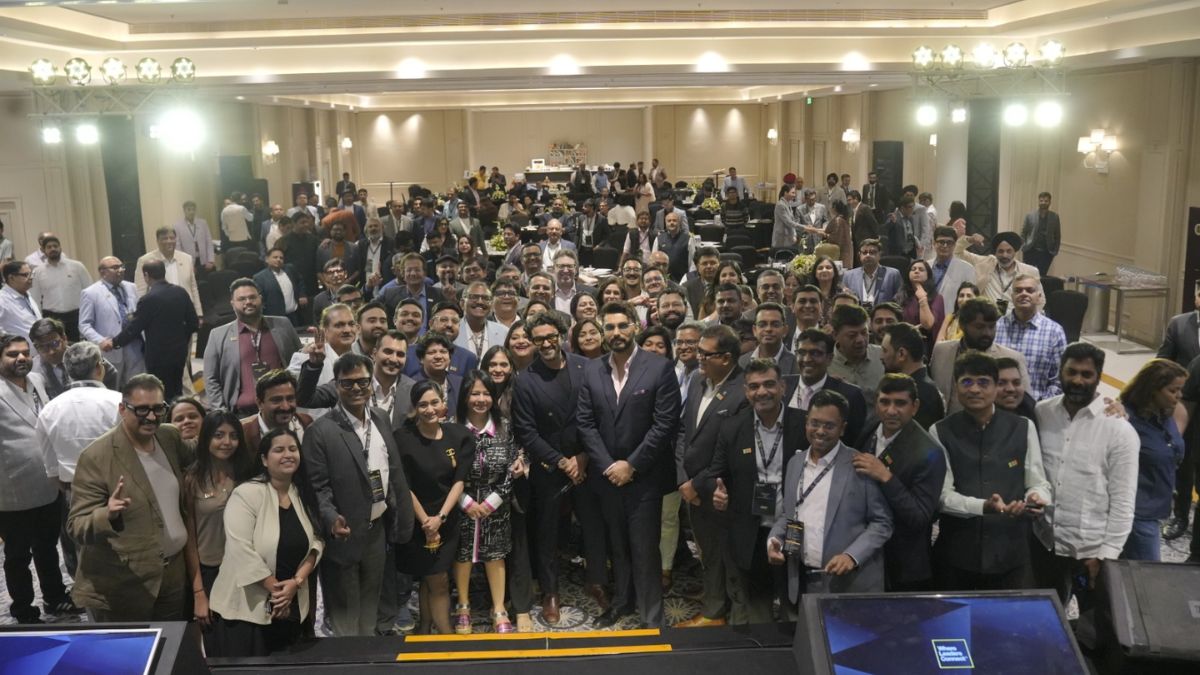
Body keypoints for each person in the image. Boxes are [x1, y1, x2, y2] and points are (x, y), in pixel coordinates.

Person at [577, 301, 682, 628]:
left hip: (644, 477)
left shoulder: (659, 367)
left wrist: (631, 465)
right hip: (607, 476)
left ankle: (652, 616)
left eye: (622, 325)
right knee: (618, 546)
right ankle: (622, 602)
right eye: (609, 327)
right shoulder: (592, 369)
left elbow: (665, 424)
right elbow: (585, 424)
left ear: (635, 326)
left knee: (644, 548)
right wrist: (609, 466)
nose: (616, 332)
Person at [303, 352, 413, 636]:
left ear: (370, 382)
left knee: (370, 613)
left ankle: (367, 654)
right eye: (347, 383)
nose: (356, 388)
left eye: (362, 382)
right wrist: (331, 518)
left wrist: (401, 518)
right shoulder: (320, 431)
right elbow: (318, 487)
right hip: (344, 533)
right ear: (336, 385)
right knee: (345, 620)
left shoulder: (380, 418)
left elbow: (392, 470)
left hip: (377, 530)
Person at [69, 373, 195, 621]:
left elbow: (199, 449)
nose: (152, 417)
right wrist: (107, 514)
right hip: (125, 585)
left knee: (170, 643)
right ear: (122, 409)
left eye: (158, 409)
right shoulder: (95, 456)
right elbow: (76, 525)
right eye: (142, 410)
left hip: (174, 576)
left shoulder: (168, 436)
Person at [511, 312, 608, 624]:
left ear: (562, 335)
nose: (545, 343)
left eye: (550, 336)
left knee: (593, 526)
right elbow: (526, 432)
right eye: (538, 339)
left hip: (587, 462)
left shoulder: (586, 366)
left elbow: (601, 413)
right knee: (547, 532)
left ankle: (596, 580)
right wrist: (562, 461)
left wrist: (584, 456)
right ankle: (550, 591)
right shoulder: (526, 379)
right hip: (550, 466)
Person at [932, 352, 1051, 591]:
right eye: (966, 382)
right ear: (956, 386)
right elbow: (942, 496)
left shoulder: (1022, 427)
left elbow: (1038, 482)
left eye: (983, 382)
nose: (975, 389)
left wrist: (1035, 498)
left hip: (1011, 554)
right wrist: (983, 507)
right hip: (957, 555)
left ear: (996, 387)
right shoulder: (940, 431)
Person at [1034, 343, 1138, 609]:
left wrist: (1106, 556)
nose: (1078, 380)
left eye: (1086, 374)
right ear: (1060, 371)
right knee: (1045, 619)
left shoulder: (1119, 430)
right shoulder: (1042, 413)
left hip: (1091, 551)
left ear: (1099, 377)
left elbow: (1123, 502)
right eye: (1071, 372)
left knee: (1096, 626)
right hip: (1045, 544)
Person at [696, 359, 800, 623]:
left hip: (793, 529)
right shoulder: (732, 427)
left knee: (795, 605)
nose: (762, 392)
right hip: (750, 530)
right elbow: (715, 474)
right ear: (746, 392)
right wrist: (716, 491)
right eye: (754, 387)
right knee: (756, 607)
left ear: (783, 387)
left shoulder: (804, 424)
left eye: (769, 384)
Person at [766, 390, 893, 606]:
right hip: (801, 578)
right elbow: (789, 515)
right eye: (814, 423)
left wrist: (851, 556)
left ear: (842, 428)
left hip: (849, 584)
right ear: (806, 422)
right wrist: (774, 540)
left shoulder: (861, 465)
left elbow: (882, 523)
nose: (820, 431)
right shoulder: (795, 463)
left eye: (829, 426)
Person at [210, 428, 324, 656]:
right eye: (279, 450)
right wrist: (278, 593)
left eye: (293, 449)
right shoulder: (246, 494)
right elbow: (240, 549)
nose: (288, 455)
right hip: (246, 613)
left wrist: (296, 582)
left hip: (290, 606)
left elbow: (316, 542)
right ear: (264, 459)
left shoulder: (299, 492)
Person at [0, 333, 77, 624]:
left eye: (24, 352)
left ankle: (55, 598)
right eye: (12, 354)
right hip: (12, 490)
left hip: (47, 482)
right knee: (18, 555)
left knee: (47, 547)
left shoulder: (36, 380)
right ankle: (23, 610)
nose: (21, 357)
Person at [673, 324, 745, 627]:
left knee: (725, 553)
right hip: (690, 485)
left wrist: (698, 483)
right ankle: (714, 599)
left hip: (720, 489)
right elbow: (683, 433)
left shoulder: (742, 391)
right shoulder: (697, 380)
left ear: (726, 358)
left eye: (705, 353)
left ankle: (721, 615)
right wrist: (682, 478)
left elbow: (730, 450)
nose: (697, 357)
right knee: (707, 549)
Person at [852, 374, 947, 590]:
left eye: (900, 403)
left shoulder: (930, 452)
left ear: (915, 406)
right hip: (863, 552)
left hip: (902, 564)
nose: (891, 410)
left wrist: (886, 477)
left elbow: (919, 517)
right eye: (885, 402)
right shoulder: (870, 427)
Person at [37, 341, 121, 579]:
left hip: (74, 493)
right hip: (118, 489)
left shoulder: (49, 409)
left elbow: (51, 470)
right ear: (99, 368)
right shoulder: (119, 401)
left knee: (84, 561)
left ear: (67, 370)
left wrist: (71, 489)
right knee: (123, 555)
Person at [394, 381, 473, 635]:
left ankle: (425, 629)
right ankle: (446, 636)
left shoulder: (459, 435)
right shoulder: (402, 438)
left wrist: (440, 518)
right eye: (423, 405)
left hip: (446, 521)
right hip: (417, 521)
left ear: (443, 404)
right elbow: (403, 485)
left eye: (434, 403)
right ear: (414, 408)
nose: (429, 409)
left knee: (435, 578)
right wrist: (426, 522)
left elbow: (459, 481)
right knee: (435, 580)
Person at [451, 372, 519, 634]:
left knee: (496, 555)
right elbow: (444, 472)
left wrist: (492, 502)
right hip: (461, 504)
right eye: (474, 393)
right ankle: (463, 606)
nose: (481, 399)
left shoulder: (505, 427)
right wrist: (465, 502)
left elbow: (512, 469)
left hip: (496, 505)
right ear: (465, 397)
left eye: (486, 393)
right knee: (463, 554)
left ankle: (499, 608)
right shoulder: (452, 427)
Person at [183, 410, 256, 651]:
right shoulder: (191, 480)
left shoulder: (247, 475)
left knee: (250, 646)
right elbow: (190, 541)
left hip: (246, 572)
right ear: (206, 438)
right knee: (220, 648)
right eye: (219, 435)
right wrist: (199, 593)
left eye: (233, 436)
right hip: (210, 573)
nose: (227, 442)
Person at [1118, 359, 1186, 561]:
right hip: (1138, 514)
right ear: (1153, 390)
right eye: (1173, 390)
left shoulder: (1165, 414)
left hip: (1155, 510)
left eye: (1180, 390)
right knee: (1148, 573)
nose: (1179, 396)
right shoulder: (1126, 420)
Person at [204, 279, 302, 416]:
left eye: (252, 297)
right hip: (242, 414)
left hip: (283, 409)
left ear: (260, 299)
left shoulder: (283, 325)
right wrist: (221, 414)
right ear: (232, 303)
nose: (248, 302)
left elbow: (299, 362)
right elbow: (211, 379)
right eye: (242, 299)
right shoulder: (218, 335)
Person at [107, 260, 198, 402]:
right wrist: (181, 339)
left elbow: (134, 329)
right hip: (179, 352)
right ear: (164, 272)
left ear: (146, 275)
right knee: (177, 389)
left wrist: (114, 342)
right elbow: (193, 323)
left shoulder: (148, 299)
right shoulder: (180, 292)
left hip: (158, 355)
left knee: (161, 393)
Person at [929, 298, 1029, 414]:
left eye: (991, 326)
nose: (987, 333)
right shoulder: (941, 351)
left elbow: (1025, 405)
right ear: (962, 325)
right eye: (979, 327)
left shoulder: (1012, 358)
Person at [995, 274, 1067, 401]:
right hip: (999, 404)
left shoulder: (1054, 332)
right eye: (1018, 290)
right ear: (1012, 296)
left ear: (1039, 297)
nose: (1023, 294)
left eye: (1029, 290)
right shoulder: (996, 327)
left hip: (1038, 406)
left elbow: (1059, 380)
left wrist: (1041, 405)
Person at [80, 256, 144, 388]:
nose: (120, 270)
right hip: (110, 349)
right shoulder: (91, 293)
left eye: (121, 266)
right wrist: (100, 340)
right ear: (102, 272)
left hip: (134, 346)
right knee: (112, 388)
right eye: (115, 268)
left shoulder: (131, 287)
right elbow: (84, 324)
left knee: (137, 386)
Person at [953, 226, 1039, 312]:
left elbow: (1039, 300)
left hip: (1017, 317)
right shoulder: (985, 263)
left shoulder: (1030, 271)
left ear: (1015, 252)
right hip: (987, 317)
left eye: (1009, 251)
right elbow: (956, 253)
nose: (1004, 255)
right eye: (1000, 251)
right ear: (995, 253)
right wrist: (970, 240)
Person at [878, 323, 945, 429]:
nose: (881, 356)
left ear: (901, 354)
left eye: (885, 350)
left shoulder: (923, 393)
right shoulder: (922, 387)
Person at [29, 235, 91, 341]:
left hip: (76, 315)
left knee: (77, 345)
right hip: (51, 316)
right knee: (55, 345)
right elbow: (35, 298)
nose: (53, 249)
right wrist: (38, 320)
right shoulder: (38, 271)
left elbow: (89, 290)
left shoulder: (77, 266)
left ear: (60, 248)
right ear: (43, 250)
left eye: (55, 246)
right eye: (49, 247)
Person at [134, 227, 202, 320]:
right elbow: (140, 291)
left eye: (172, 238)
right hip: (159, 314)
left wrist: (199, 313)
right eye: (165, 238)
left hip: (186, 311)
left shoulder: (187, 258)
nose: (169, 241)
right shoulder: (145, 261)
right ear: (158, 241)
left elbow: (193, 287)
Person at [828, 304, 885, 405]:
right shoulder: (825, 364)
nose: (860, 340)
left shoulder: (883, 356)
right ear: (835, 335)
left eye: (864, 333)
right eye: (852, 335)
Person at [896, 259, 945, 353]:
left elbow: (928, 324)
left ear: (928, 275)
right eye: (913, 269)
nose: (916, 271)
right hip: (901, 343)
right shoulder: (899, 296)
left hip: (924, 345)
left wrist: (922, 299)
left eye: (921, 270)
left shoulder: (937, 298)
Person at [254, 248, 308, 325]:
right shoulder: (259, 277)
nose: (278, 259)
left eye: (281, 258)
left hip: (295, 315)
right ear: (267, 259)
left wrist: (302, 295)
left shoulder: (290, 269)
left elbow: (300, 281)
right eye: (275, 257)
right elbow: (260, 300)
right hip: (276, 319)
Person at [930, 227, 977, 316]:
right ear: (934, 243)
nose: (945, 246)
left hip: (953, 318)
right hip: (926, 318)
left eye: (949, 242)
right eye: (941, 242)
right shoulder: (926, 266)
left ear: (955, 245)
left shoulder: (967, 269)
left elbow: (971, 300)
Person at [1020, 192, 1061, 276]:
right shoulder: (1030, 216)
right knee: (1027, 275)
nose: (1043, 203)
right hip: (1030, 250)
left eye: (1046, 201)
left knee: (1041, 276)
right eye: (1041, 200)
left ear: (1050, 202)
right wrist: (1023, 245)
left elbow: (1057, 235)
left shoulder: (1055, 217)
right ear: (1038, 201)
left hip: (1046, 253)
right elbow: (1023, 233)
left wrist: (1055, 251)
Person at [0, 260, 42, 338]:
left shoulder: (26, 293)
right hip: (19, 345)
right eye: (26, 275)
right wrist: (8, 342)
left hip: (39, 343)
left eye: (31, 274)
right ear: (11, 278)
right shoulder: (2, 299)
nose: (31, 278)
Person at [173, 201, 215, 271]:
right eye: (189, 209)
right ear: (184, 211)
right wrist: (184, 264)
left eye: (193, 209)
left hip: (204, 260)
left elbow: (209, 242)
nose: (191, 212)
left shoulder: (203, 223)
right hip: (188, 261)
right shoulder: (177, 226)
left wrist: (211, 260)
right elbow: (178, 247)